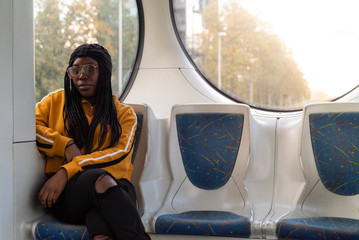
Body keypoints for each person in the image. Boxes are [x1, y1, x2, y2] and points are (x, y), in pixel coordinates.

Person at [35, 43, 150, 240]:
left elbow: (119, 153)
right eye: (75, 69)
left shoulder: (124, 114)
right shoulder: (54, 101)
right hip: (69, 193)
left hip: (116, 187)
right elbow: (28, 127)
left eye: (89, 69)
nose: (81, 75)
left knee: (101, 224)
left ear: (104, 73)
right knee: (102, 182)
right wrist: (65, 145)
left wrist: (67, 169)